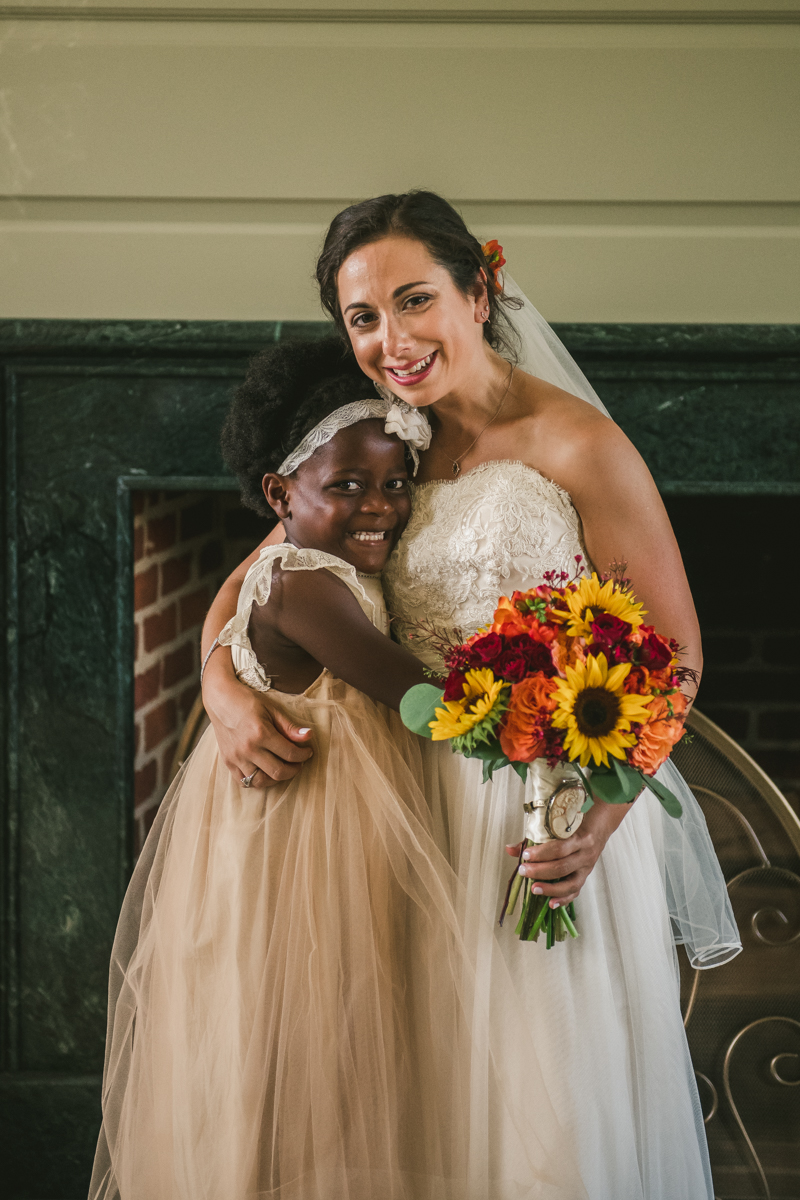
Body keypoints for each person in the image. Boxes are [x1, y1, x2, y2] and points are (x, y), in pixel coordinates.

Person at [201, 191, 741, 1200]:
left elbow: (674, 657)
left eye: (413, 302)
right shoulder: (385, 441)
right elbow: (256, 575)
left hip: (539, 823)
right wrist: (217, 685)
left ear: (478, 290)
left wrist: (598, 821)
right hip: (405, 814)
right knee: (425, 1112)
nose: (390, 340)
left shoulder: (576, 445)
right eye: (362, 318)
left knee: (541, 1122)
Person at [90, 338, 583, 1200]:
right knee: (315, 1036)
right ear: (281, 494)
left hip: (347, 814)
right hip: (304, 831)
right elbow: (414, 697)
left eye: (398, 487)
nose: (380, 508)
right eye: (349, 487)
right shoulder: (304, 581)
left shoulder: (328, 556)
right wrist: (531, 726)